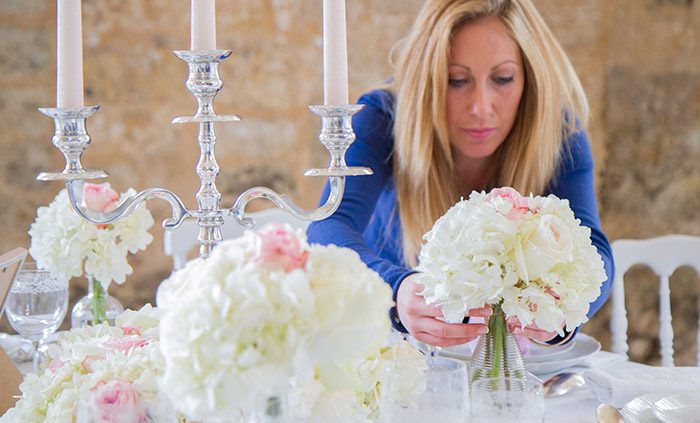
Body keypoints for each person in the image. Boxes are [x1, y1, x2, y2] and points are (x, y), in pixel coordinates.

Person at [307, 0, 613, 348]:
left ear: (529, 77)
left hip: (514, 365)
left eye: (503, 78)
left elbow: (595, 251)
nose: (481, 106)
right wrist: (396, 291)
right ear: (428, 81)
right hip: (392, 352)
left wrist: (561, 313)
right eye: (457, 80)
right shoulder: (380, 118)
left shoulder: (560, 133)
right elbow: (327, 230)